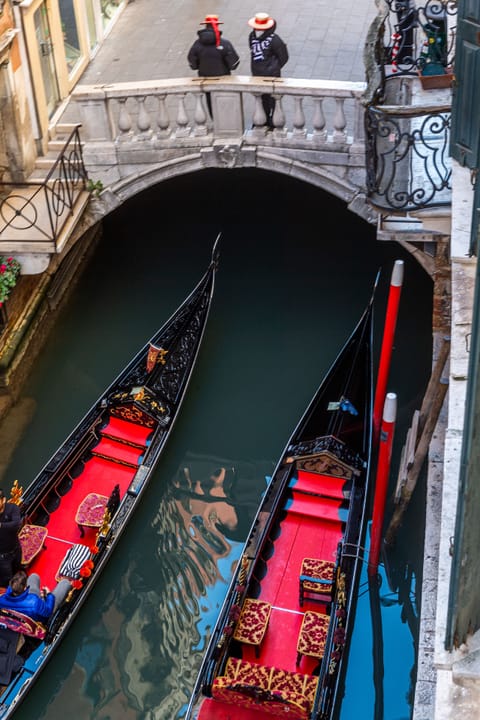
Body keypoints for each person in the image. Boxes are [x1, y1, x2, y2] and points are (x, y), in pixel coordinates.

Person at [187, 14, 240, 117]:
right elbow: (234, 63)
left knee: (210, 101)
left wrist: (199, 66)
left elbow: (192, 63)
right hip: (223, 78)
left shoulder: (197, 44)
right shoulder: (224, 43)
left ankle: (215, 120)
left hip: (206, 79)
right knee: (225, 101)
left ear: (205, 26)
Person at [247, 12, 289, 129]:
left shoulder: (275, 40)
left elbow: (284, 57)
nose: (257, 30)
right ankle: (262, 120)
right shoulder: (252, 36)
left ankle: (271, 121)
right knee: (261, 99)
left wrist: (273, 68)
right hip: (257, 75)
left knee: (272, 100)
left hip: (271, 76)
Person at [0, 570, 71, 623]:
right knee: (65, 583)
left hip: (27, 605)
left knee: (34, 576)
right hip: (41, 617)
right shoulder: (34, 602)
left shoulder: (1, 600)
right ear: (25, 588)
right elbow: (48, 611)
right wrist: (49, 595)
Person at [0, 489, 22, 588]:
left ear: (3, 500)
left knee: (18, 569)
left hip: (16, 549)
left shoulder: (13, 508)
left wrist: (1, 525)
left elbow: (16, 524)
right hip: (2, 557)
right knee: (8, 580)